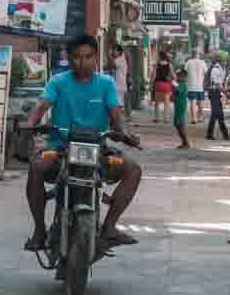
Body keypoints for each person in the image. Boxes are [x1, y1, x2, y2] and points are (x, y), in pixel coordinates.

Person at [24, 33, 143, 250]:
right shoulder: (58, 81)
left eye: (88, 57)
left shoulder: (106, 83)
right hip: (60, 149)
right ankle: (39, 230)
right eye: (77, 57)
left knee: (133, 170)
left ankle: (109, 227)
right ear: (69, 59)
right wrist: (30, 124)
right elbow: (41, 107)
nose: (83, 62)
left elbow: (116, 114)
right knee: (37, 167)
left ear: (96, 57)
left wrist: (124, 132)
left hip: (98, 149)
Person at [183, 47, 209, 148]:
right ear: (198, 54)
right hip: (200, 85)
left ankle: (194, 118)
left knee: (192, 102)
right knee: (201, 102)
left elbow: (185, 71)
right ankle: (200, 117)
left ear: (192, 54)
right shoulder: (202, 62)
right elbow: (206, 72)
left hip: (191, 85)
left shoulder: (188, 62)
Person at [205, 53, 230, 141]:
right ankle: (220, 134)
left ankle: (222, 134)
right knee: (216, 113)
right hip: (213, 92)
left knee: (218, 114)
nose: (225, 62)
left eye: (226, 60)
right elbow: (216, 83)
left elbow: (221, 82)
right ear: (220, 60)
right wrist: (225, 91)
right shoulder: (215, 69)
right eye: (224, 60)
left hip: (217, 93)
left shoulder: (222, 68)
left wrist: (225, 90)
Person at [152, 55, 175, 122]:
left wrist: (151, 83)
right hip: (166, 84)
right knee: (166, 103)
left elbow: (153, 75)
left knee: (157, 103)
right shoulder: (169, 65)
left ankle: (157, 118)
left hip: (158, 84)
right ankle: (166, 118)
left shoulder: (156, 65)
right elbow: (173, 75)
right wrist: (173, 79)